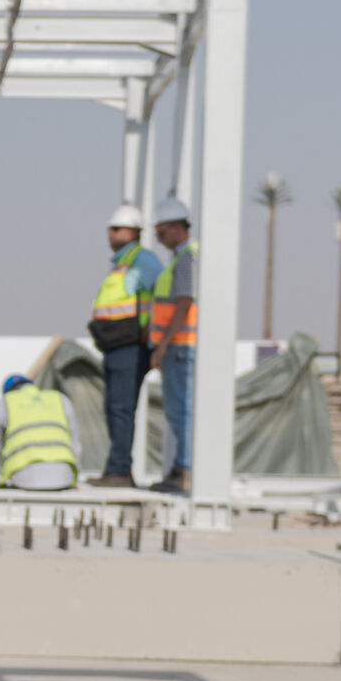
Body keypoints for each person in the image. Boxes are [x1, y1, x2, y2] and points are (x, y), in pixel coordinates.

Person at [86, 202, 168, 486]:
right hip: (115, 346)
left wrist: (151, 331)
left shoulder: (142, 260)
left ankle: (120, 470)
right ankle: (116, 467)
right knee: (114, 408)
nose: (110, 234)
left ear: (131, 231)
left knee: (121, 408)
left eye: (116, 229)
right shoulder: (122, 263)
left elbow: (162, 291)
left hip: (131, 346)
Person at [148, 196, 200, 495]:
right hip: (179, 347)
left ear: (179, 227)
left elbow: (183, 303)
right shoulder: (183, 257)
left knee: (181, 411)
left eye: (162, 232)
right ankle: (184, 467)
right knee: (180, 411)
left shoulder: (187, 258)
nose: (158, 238)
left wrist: (163, 345)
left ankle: (186, 468)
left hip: (180, 347)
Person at [0, 372, 78, 491]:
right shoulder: (60, 399)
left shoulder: (5, 402)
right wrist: (73, 478)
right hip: (64, 478)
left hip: (23, 479)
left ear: (8, 392)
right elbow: (75, 447)